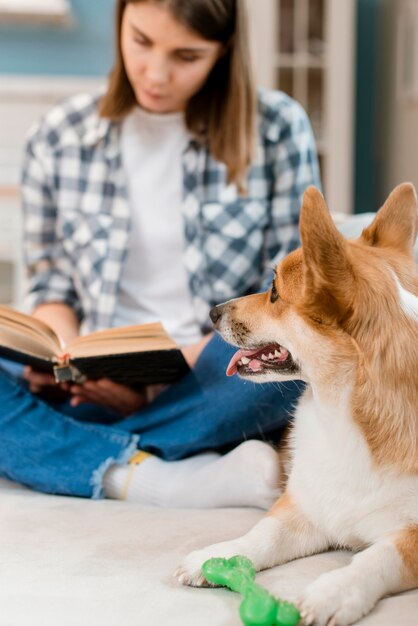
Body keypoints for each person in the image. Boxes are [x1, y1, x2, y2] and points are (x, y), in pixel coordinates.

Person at [0, 0, 320, 507]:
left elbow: (293, 294)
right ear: (120, 21)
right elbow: (53, 286)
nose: (155, 74)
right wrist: (64, 353)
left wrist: (147, 390)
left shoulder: (278, 129)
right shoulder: (59, 137)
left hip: (213, 377)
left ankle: (72, 454)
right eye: (141, 41)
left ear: (223, 51)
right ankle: (162, 475)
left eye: (186, 56)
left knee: (293, 360)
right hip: (94, 385)